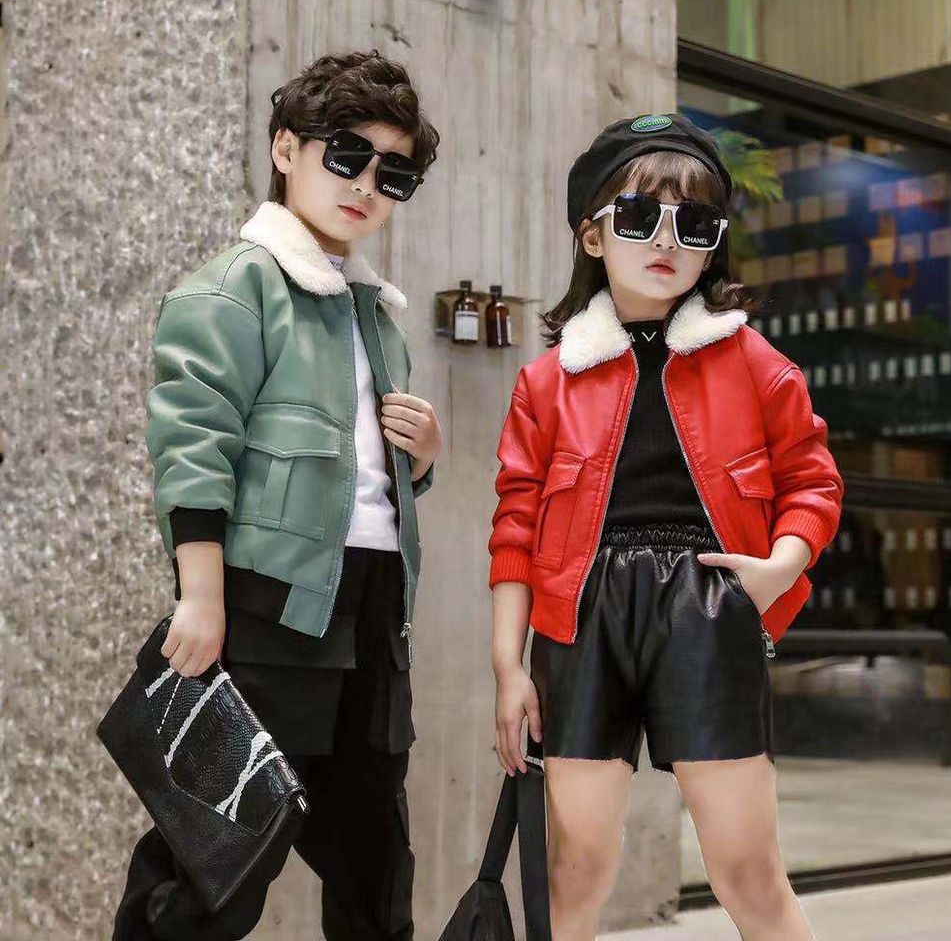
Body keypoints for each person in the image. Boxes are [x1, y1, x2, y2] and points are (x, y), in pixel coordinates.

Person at [488, 113, 843, 940]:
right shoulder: (546, 382)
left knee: (748, 871)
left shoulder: (757, 365)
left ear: (713, 247)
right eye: (641, 216)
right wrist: (508, 666)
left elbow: (812, 482)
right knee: (572, 871)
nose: (666, 240)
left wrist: (776, 571)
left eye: (695, 224)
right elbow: (515, 528)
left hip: (709, 603)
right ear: (592, 235)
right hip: (581, 615)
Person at [113, 49, 442, 941]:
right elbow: (193, 446)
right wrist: (201, 596)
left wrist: (422, 459)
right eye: (347, 155)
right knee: (215, 862)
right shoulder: (235, 287)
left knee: (376, 864)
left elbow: (358, 474)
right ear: (286, 148)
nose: (366, 185)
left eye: (392, 174)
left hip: (374, 613)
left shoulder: (375, 314)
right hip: (268, 610)